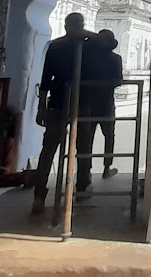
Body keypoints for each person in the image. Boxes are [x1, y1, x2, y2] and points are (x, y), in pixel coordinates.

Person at [31, 12, 91, 215]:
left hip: (57, 102)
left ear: (65, 26)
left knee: (48, 151)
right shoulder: (88, 45)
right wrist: (86, 34)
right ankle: (82, 186)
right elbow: (110, 43)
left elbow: (45, 79)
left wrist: (41, 107)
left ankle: (39, 196)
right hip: (81, 103)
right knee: (83, 147)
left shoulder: (55, 46)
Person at [82, 29, 125, 180]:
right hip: (106, 102)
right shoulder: (115, 59)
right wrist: (107, 85)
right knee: (109, 135)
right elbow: (119, 80)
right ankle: (107, 167)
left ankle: (85, 170)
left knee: (87, 137)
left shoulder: (88, 59)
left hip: (88, 102)